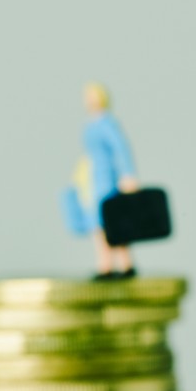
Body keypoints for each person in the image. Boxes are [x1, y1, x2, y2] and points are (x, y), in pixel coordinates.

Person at [66, 82, 140, 280]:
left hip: (106, 178)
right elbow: (88, 155)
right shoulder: (90, 124)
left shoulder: (107, 123)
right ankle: (105, 265)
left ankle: (126, 264)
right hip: (92, 180)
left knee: (112, 221)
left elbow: (121, 148)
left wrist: (128, 174)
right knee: (98, 225)